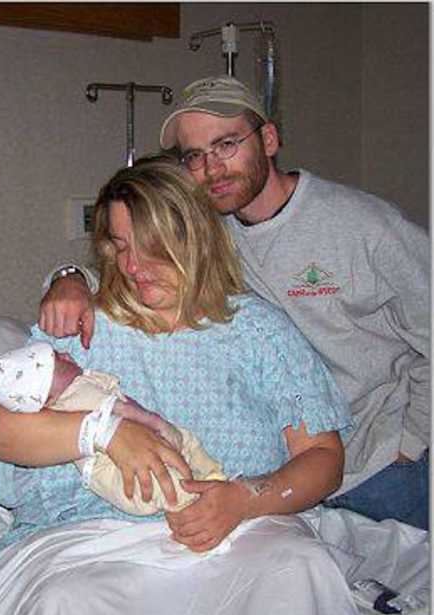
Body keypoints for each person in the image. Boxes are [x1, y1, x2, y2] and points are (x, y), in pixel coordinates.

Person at [0, 157, 367, 615]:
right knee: (73, 606)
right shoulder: (85, 327)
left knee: (301, 570)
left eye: (151, 248)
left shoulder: (258, 333)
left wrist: (243, 500)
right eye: (120, 246)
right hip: (97, 541)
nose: (133, 267)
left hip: (235, 527)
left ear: (196, 238)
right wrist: (104, 432)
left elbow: (323, 456)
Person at [40, 75, 429, 530]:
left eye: (226, 145)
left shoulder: (363, 228)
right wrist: (68, 279)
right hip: (289, 469)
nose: (212, 168)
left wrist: (413, 437)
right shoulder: (212, 229)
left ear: (268, 139)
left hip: (382, 457)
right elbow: (136, 261)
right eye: (194, 156)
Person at [0, 341, 225, 515]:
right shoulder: (76, 393)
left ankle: (207, 483)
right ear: (46, 396)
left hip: (116, 465)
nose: (67, 354)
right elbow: (125, 410)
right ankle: (195, 498)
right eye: (58, 359)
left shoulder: (75, 389)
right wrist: (156, 422)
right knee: (165, 470)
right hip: (114, 470)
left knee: (177, 452)